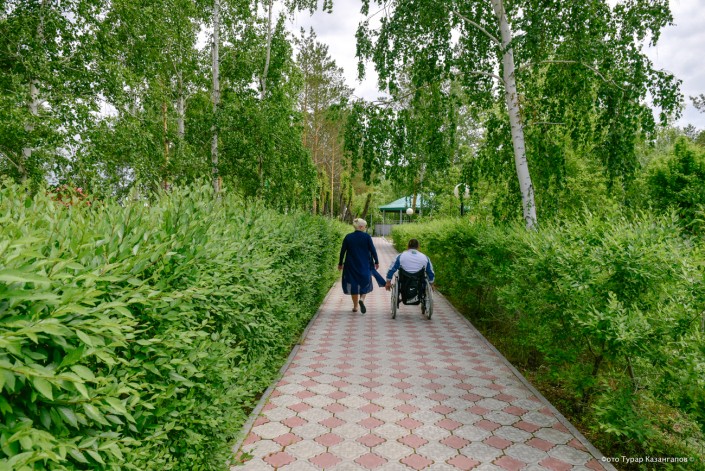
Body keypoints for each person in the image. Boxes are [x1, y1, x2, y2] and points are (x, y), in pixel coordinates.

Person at [338, 218, 380, 313]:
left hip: (351, 265)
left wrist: (340, 263)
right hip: (364, 264)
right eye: (365, 226)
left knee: (353, 284)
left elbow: (342, 251)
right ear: (361, 227)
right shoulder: (367, 237)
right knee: (365, 282)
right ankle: (362, 299)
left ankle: (355, 306)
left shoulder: (348, 237)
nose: (365, 228)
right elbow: (373, 250)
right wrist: (376, 261)